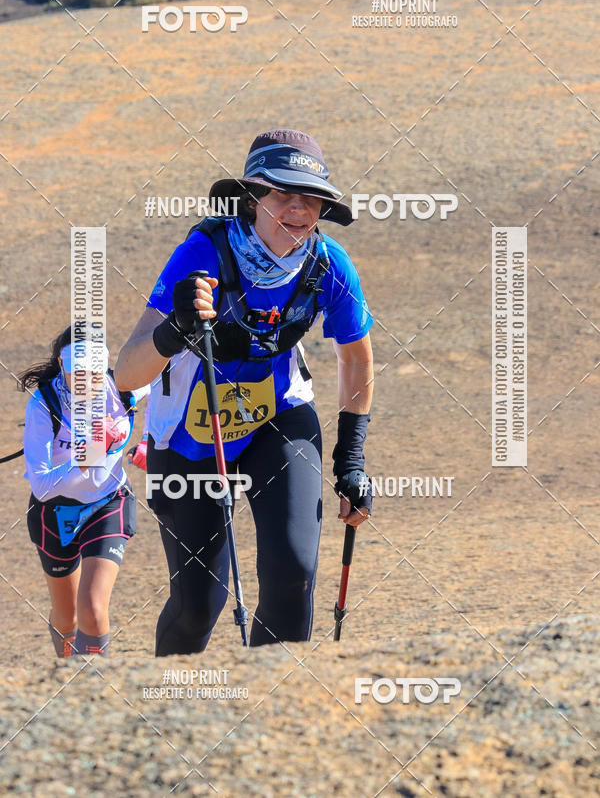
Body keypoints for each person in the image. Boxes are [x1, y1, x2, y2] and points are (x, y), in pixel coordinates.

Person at [115, 128, 374, 654]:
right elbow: (126, 373)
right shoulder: (202, 253)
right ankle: (175, 710)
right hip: (190, 433)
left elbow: (356, 358)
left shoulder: (329, 265)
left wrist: (351, 461)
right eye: (284, 194)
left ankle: (273, 708)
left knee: (294, 574)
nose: (300, 210)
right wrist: (175, 329)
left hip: (279, 417)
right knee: (198, 604)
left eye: (313, 199)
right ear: (252, 197)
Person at [19, 325, 148, 657]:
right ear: (62, 366)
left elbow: (171, 376)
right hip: (54, 512)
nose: (86, 380)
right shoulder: (43, 404)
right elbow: (43, 486)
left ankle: (92, 690)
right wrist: (86, 455)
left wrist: (155, 439)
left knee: (92, 609)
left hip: (109, 502)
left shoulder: (122, 388)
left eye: (93, 371)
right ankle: (67, 679)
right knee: (68, 617)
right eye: (77, 372)